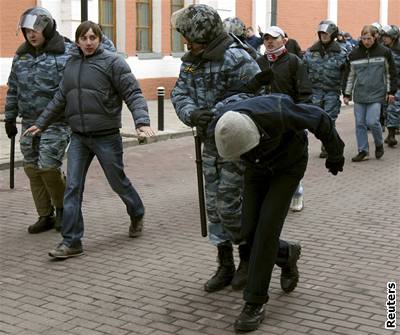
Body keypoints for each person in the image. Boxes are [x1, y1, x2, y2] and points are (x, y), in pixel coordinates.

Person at [211, 94, 345, 332]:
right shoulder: (225, 123)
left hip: (288, 166)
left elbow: (321, 118)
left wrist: (335, 152)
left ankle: (254, 303)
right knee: (249, 232)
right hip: (257, 167)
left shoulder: (279, 113)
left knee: (267, 229)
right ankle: (287, 254)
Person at [24, 21, 155, 258]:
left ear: (100, 39)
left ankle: (136, 211)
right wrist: (41, 123)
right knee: (73, 187)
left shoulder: (113, 62)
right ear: (77, 41)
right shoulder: (72, 64)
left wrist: (142, 122)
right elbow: (60, 97)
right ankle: (72, 241)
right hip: (79, 138)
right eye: (84, 38)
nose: (88, 42)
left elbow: (133, 93)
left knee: (118, 182)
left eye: (93, 38)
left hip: (107, 137)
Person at [171, 4, 261, 292]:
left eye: (190, 36)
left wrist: (217, 110)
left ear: (205, 33)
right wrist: (192, 114)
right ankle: (225, 264)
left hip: (236, 145)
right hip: (208, 145)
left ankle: (248, 257)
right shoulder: (192, 59)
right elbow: (179, 92)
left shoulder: (237, 57)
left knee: (231, 206)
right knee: (214, 209)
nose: (186, 42)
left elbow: (258, 94)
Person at [4, 7, 73, 234]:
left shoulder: (66, 51)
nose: (31, 34)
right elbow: (13, 87)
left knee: (49, 167)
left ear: (47, 28)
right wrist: (10, 117)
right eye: (27, 31)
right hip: (29, 121)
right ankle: (45, 214)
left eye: (35, 29)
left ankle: (64, 210)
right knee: (32, 168)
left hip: (57, 121)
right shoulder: (21, 54)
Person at [256, 25, 313, 212]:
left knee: (290, 159)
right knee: (266, 160)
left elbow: (304, 91)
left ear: (284, 40)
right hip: (264, 120)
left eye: (274, 38)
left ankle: (297, 193)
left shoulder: (294, 62)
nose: (269, 42)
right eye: (266, 38)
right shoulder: (259, 62)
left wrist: (300, 116)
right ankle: (271, 197)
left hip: (288, 119)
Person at [344, 24, 397, 162]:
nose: (366, 41)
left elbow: (390, 73)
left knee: (372, 121)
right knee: (360, 124)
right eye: (363, 38)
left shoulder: (384, 52)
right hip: (360, 94)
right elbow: (350, 76)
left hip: (377, 93)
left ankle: (379, 143)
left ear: (375, 37)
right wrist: (346, 94)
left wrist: (391, 91)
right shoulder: (354, 54)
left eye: (369, 38)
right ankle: (363, 151)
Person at [303, 20, 348, 158]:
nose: (323, 36)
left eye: (326, 33)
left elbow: (346, 74)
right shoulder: (311, 52)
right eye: (321, 33)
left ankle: (327, 147)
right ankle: (326, 141)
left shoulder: (341, 52)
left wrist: (346, 92)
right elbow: (303, 71)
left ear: (333, 34)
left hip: (332, 91)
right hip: (315, 91)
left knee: (330, 119)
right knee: (317, 120)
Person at [382, 24, 400, 147]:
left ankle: (392, 134)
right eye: (383, 36)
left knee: (393, 108)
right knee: (385, 110)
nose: (384, 38)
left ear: (393, 37)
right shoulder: (382, 49)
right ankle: (390, 132)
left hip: (397, 85)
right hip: (384, 84)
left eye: (387, 36)